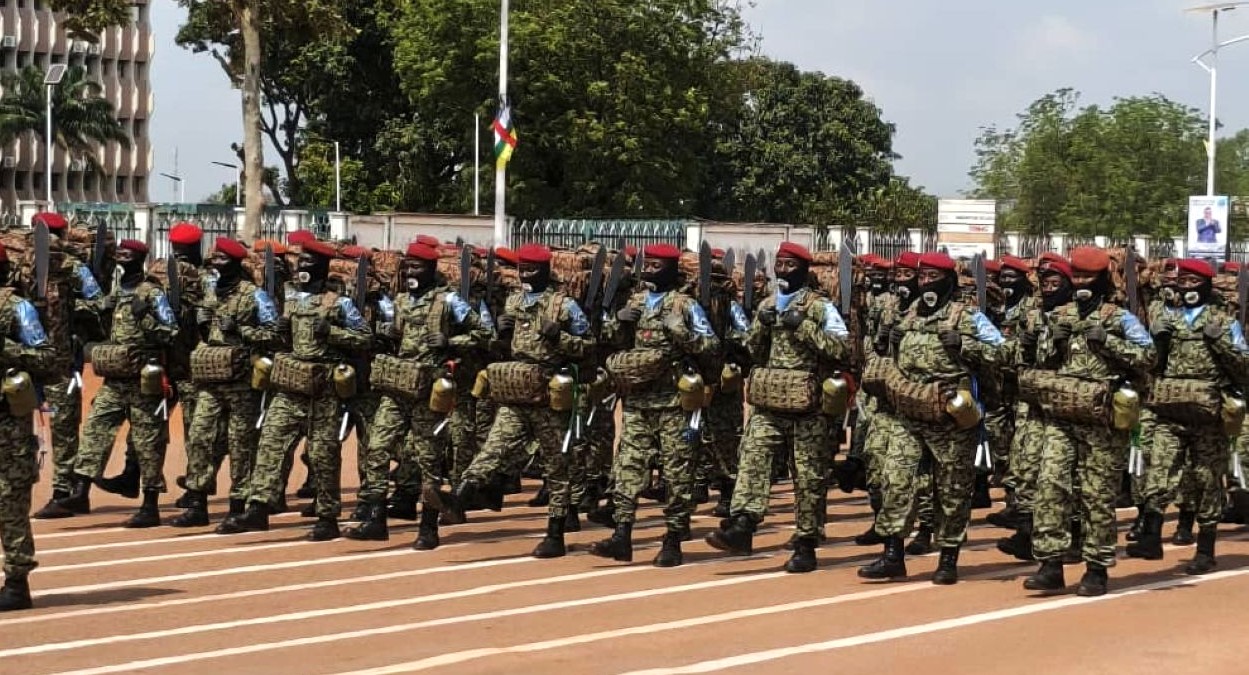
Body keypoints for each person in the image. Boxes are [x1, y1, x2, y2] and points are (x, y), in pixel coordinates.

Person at [857, 252, 1003, 585]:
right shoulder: (907, 315)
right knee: (895, 479)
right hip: (909, 413)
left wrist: (965, 346)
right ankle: (893, 554)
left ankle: (948, 556)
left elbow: (1004, 352)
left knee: (952, 488)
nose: (925, 284)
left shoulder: (968, 316)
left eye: (932, 278)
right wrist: (889, 343)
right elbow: (893, 359)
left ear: (948, 281)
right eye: (922, 278)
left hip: (950, 417)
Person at [705, 241, 849, 574]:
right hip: (769, 402)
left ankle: (806, 542)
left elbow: (841, 349)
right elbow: (754, 352)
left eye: (790, 265)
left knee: (808, 476)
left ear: (803, 270)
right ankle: (742, 525)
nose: (783, 271)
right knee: (752, 460)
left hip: (807, 406)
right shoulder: (767, 304)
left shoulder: (820, 307)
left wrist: (804, 326)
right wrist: (760, 325)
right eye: (779, 264)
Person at [217, 238, 373, 540]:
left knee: (323, 454)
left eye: (309, 262)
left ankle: (327, 516)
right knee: (270, 444)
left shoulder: (339, 303)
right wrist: (274, 333)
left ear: (321, 267)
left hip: (323, 390)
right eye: (301, 261)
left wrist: (333, 332)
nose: (302, 266)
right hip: (289, 385)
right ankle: (258, 507)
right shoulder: (290, 300)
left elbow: (365, 338)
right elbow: (281, 339)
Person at [1023, 247, 1155, 597]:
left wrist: (1108, 342)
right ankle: (1050, 562)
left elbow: (1148, 356)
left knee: (1097, 494)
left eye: (1088, 277)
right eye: (1077, 276)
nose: (1081, 283)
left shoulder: (1119, 318)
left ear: (1101, 280)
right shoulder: (1058, 315)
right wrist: (1051, 344)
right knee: (1050, 484)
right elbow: (1041, 361)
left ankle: (1096, 567)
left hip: (1101, 418)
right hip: (1062, 414)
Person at [448, 243, 593, 558]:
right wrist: (501, 335)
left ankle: (555, 532)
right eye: (522, 270)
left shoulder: (564, 305)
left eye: (531, 270)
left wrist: (559, 337)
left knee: (557, 464)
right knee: (494, 446)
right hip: (515, 392)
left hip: (548, 395)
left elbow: (588, 346)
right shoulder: (513, 301)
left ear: (544, 271)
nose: (525, 275)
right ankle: (460, 495)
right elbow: (503, 346)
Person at [344, 241, 489, 548]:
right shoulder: (400, 300)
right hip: (397, 386)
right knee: (377, 448)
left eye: (417, 267)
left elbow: (484, 333)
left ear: (431, 269)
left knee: (428, 458)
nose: (411, 272)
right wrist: (386, 333)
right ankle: (376, 518)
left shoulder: (449, 300)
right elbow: (396, 333)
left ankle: (428, 526)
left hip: (427, 390)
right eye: (408, 266)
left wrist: (451, 342)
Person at [590, 243, 719, 567]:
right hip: (638, 399)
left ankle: (673, 538)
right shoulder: (635, 301)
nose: (648, 270)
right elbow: (612, 340)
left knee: (677, 471)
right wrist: (618, 322)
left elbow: (711, 346)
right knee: (628, 466)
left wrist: (683, 335)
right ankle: (622, 534)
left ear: (670, 270)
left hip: (674, 402)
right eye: (647, 265)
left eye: (656, 265)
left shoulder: (685, 305)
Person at [1128, 258, 1249, 574]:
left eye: (1194, 283)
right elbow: (1149, 366)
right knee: (1159, 470)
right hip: (1170, 410)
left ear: (1206, 286)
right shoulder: (1166, 319)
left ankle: (1205, 549)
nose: (1187, 288)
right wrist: (1158, 342)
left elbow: (1243, 369)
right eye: (1183, 282)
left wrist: (1219, 343)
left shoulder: (1224, 322)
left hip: (1207, 415)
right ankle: (1151, 536)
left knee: (1206, 478)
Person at [169, 238, 280, 527]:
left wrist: (242, 330)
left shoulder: (255, 295)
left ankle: (238, 504)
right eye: (214, 260)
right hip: (210, 379)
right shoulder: (210, 291)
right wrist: (200, 321)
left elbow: (275, 334)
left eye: (221, 260)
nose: (216, 264)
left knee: (241, 443)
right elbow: (203, 330)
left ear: (234, 262)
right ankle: (197, 502)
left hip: (241, 381)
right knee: (200, 437)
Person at [72, 239, 179, 527]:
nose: (120, 255)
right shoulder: (117, 291)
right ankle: (80, 490)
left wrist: (145, 319)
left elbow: (171, 332)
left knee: (147, 441)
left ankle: (150, 504)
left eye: (126, 253)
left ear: (139, 258)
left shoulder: (152, 293)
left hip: (144, 379)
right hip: (115, 379)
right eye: (119, 252)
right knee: (95, 428)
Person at [0, 241, 56, 611]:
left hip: (7, 422)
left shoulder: (17, 307)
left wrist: (7, 348)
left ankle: (17, 583)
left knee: (10, 499)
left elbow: (46, 358)